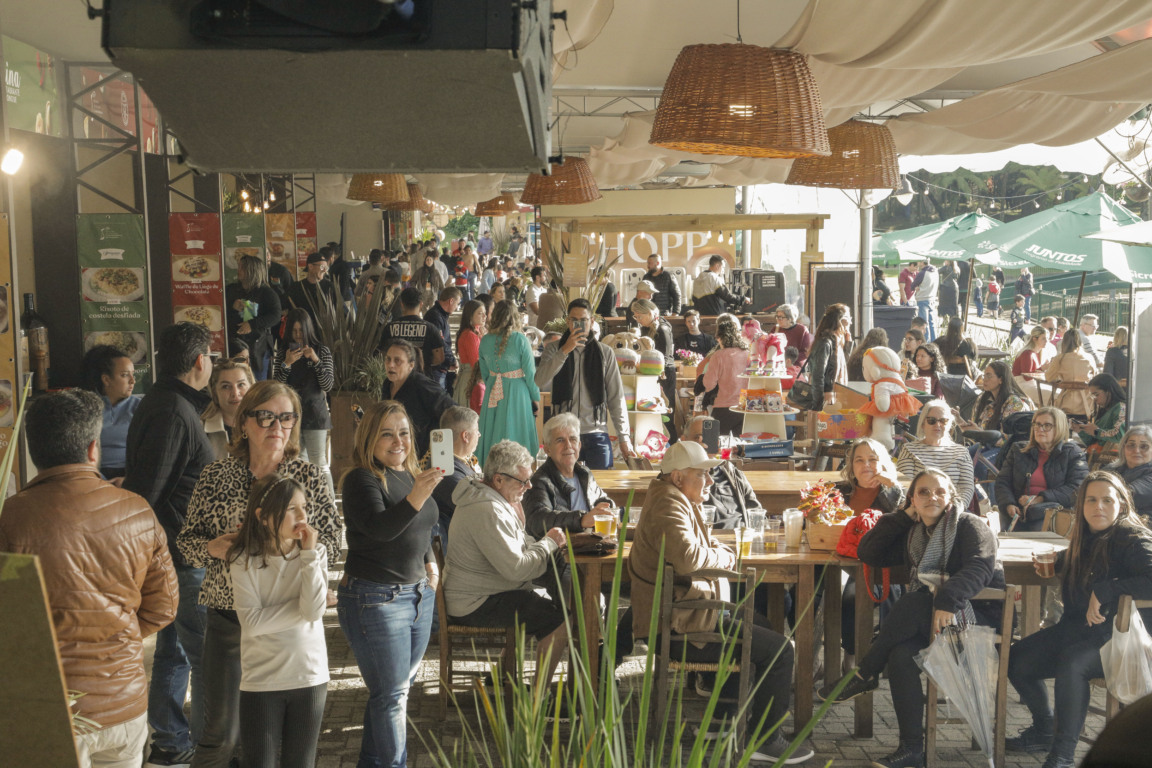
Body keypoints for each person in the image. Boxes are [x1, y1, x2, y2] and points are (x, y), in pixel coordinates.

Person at [0, 389, 177, 768]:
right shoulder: (137, 511)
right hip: (125, 702)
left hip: (51, 708)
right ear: (94, 448)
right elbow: (163, 608)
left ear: (33, 451)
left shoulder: (11, 518)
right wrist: (115, 635)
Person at [177, 381, 341, 768]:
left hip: (292, 622)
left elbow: (332, 541)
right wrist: (210, 548)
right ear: (244, 423)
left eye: (287, 417)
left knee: (288, 742)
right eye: (266, 416)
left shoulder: (311, 476)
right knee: (221, 733)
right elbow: (186, 542)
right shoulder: (216, 475)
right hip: (230, 617)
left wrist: (306, 559)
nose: (277, 427)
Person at [628, 441, 814, 764]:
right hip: (675, 626)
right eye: (703, 475)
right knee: (782, 650)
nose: (711, 482)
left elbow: (704, 544)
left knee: (762, 625)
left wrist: (720, 553)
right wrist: (726, 557)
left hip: (688, 613)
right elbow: (688, 558)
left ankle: (722, 720)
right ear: (678, 478)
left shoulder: (676, 497)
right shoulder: (668, 506)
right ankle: (765, 741)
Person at [822, 469, 1003, 768]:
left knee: (916, 600)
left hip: (975, 621)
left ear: (951, 497)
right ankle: (912, 750)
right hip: (930, 622)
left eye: (940, 492)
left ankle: (865, 672)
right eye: (923, 492)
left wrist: (947, 600)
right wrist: (905, 516)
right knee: (900, 656)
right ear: (912, 500)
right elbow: (869, 551)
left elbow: (980, 568)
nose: (932, 497)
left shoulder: (970, 525)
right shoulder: (914, 531)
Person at [1006, 471, 1152, 768]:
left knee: (1072, 664)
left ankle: (1061, 756)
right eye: (1092, 500)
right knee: (1016, 658)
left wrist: (1108, 589)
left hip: (1121, 638)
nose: (1099, 506)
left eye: (1107, 500)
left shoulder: (1132, 537)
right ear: (1081, 507)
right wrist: (1057, 562)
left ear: (1121, 505)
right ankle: (1044, 728)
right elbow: (1090, 560)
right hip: (1080, 630)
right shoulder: (1087, 535)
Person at [123, 322, 215, 768]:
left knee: (175, 652)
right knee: (203, 657)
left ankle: (172, 741)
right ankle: (203, 747)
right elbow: (148, 492)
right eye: (211, 358)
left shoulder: (168, 403)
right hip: (182, 557)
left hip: (178, 553)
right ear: (200, 361)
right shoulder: (173, 411)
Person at [338, 401, 441, 768]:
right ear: (369, 437)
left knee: (391, 694)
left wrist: (430, 563)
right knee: (392, 696)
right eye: (387, 433)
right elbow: (380, 529)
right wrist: (418, 495)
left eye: (404, 433)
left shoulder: (413, 474)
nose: (398, 441)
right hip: (376, 599)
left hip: (417, 596)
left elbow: (423, 526)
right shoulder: (361, 478)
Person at [444, 440, 570, 690]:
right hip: (474, 604)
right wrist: (549, 543)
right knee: (561, 621)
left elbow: (515, 553)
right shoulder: (488, 509)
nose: (529, 486)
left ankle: (501, 672)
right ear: (498, 479)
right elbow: (517, 570)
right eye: (522, 481)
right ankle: (538, 698)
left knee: (533, 599)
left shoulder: (486, 496)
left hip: (475, 593)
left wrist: (539, 542)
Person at [227, 475, 328, 768]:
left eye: (304, 507)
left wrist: (308, 556)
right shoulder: (243, 559)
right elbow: (252, 623)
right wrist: (305, 608)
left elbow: (313, 612)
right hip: (261, 682)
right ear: (264, 516)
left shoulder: (314, 553)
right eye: (291, 508)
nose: (302, 516)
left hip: (309, 677)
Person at [535, 298, 634, 468]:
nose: (578, 325)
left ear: (592, 321)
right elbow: (540, 380)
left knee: (600, 488)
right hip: (563, 433)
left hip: (596, 433)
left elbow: (616, 397)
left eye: (583, 320)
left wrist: (624, 438)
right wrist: (565, 350)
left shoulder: (605, 353)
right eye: (574, 320)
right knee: (565, 488)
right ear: (567, 321)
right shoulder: (554, 349)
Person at [995, 406, 1089, 532]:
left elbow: (1078, 488)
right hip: (1017, 512)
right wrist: (1008, 504)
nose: (1040, 429)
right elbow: (1002, 482)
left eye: (1047, 425)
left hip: (1052, 514)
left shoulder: (1072, 453)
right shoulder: (1018, 450)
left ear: (1059, 428)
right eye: (1037, 424)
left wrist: (1040, 498)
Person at [523, 413, 615, 538]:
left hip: (590, 546)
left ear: (579, 445)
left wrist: (606, 507)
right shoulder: (540, 481)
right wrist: (581, 520)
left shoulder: (584, 474)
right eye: (560, 440)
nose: (568, 446)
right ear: (547, 449)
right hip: (560, 553)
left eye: (573, 439)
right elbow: (538, 521)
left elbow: (601, 499)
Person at [273, 308, 335, 494]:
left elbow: (328, 385)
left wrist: (316, 360)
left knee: (319, 461)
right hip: (290, 415)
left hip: (315, 413)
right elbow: (276, 386)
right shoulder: (283, 351)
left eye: (302, 331)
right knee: (297, 460)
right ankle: (302, 501)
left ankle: (328, 502)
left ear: (309, 330)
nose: (298, 336)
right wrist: (287, 363)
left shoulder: (322, 350)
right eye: (294, 331)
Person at [476, 299, 540, 461]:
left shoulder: (485, 340)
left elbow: (485, 374)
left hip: (493, 391)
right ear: (515, 317)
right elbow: (531, 374)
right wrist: (536, 398)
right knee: (516, 433)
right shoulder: (520, 339)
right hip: (517, 392)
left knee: (492, 433)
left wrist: (494, 383)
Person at [380, 339, 455, 460]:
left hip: (424, 456)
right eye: (388, 359)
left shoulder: (422, 385)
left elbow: (453, 411)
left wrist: (439, 444)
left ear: (411, 365)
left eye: (397, 361)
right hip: (399, 451)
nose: (390, 364)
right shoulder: (387, 384)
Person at [897, 399, 975, 508]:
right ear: (923, 423)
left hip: (952, 511)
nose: (938, 425)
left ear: (949, 425)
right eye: (932, 420)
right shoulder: (909, 449)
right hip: (918, 511)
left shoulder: (962, 452)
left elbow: (966, 487)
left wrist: (954, 511)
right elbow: (904, 486)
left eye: (943, 421)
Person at [81, 344, 140, 480]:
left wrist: (129, 479)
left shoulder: (141, 408)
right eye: (125, 375)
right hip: (92, 477)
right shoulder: (86, 409)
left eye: (133, 374)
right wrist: (101, 481)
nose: (132, 381)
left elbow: (151, 454)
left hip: (132, 477)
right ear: (106, 379)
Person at [430, 406, 482, 552]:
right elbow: (474, 505)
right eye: (476, 430)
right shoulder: (444, 470)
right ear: (465, 436)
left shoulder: (465, 460)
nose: (479, 434)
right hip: (458, 547)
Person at [226, 254, 281, 380]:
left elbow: (276, 316)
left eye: (242, 268)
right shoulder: (231, 290)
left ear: (252, 271)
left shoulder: (267, 292)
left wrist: (252, 324)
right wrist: (232, 306)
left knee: (257, 384)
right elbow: (220, 311)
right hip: (234, 346)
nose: (238, 270)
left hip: (258, 348)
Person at [633, 297, 679, 442]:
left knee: (664, 411)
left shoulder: (663, 328)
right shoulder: (646, 327)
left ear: (650, 313)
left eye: (639, 316)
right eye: (635, 316)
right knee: (651, 411)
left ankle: (671, 444)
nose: (637, 319)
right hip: (652, 373)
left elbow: (663, 358)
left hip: (663, 374)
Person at [702, 314, 752, 437]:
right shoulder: (748, 354)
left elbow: (709, 384)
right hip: (746, 407)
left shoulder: (718, 356)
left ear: (719, 337)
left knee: (712, 444)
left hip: (723, 407)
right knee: (743, 447)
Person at [380, 286, 445, 373]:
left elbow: (382, 354)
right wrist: (423, 363)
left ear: (402, 304)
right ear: (421, 304)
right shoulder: (430, 328)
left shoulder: (390, 327)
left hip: (397, 378)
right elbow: (439, 358)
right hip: (423, 377)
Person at [202, 358, 256, 461]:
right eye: (226, 387)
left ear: (251, 388)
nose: (235, 393)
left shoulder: (267, 425)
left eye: (241, 385)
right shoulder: (200, 430)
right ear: (215, 393)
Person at [804, 303, 852, 411]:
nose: (851, 322)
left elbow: (841, 365)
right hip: (826, 398)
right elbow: (818, 373)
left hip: (834, 396)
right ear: (841, 320)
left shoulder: (837, 341)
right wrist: (820, 402)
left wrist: (848, 342)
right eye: (849, 318)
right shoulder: (825, 342)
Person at [1046, 329, 1098, 421]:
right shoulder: (1089, 358)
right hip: (1087, 406)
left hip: (1065, 405)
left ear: (1064, 342)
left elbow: (1049, 377)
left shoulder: (1059, 359)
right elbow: (1096, 377)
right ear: (1079, 341)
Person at [286, 251, 340, 331]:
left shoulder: (330, 287)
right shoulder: (297, 287)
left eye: (326, 268)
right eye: (322, 267)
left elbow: (341, 309)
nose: (325, 271)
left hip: (326, 334)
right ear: (310, 266)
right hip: (303, 332)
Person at [1110, 425, 1152, 521]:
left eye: (1144, 446)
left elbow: (1127, 496)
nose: (1136, 451)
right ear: (1123, 447)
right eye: (1131, 445)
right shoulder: (1112, 468)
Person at [424, 286, 462, 390]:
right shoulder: (435, 316)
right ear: (451, 301)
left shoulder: (439, 315)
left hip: (439, 367)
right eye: (457, 303)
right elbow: (440, 342)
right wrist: (452, 360)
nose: (457, 307)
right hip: (435, 369)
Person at [1079, 373, 1127, 450]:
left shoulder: (1121, 408)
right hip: (1096, 455)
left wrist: (1096, 432)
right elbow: (1091, 441)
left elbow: (1120, 436)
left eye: (1096, 394)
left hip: (1111, 458)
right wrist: (1081, 430)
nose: (1094, 399)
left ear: (1108, 391)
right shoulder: (1104, 409)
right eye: (1092, 396)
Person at [453, 299, 487, 409]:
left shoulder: (473, 333)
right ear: (470, 315)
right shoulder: (470, 335)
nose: (484, 316)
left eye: (484, 313)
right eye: (480, 313)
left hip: (470, 378)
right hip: (471, 380)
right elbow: (476, 363)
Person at [774, 303, 813, 370]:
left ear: (790, 318)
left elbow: (806, 352)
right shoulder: (776, 329)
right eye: (777, 316)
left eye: (781, 317)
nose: (778, 319)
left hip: (796, 367)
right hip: (778, 366)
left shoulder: (802, 330)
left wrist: (789, 359)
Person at [1012, 327, 1049, 393]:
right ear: (1034, 339)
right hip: (1020, 386)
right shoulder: (1027, 353)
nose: (1046, 341)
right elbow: (1027, 377)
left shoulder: (1037, 353)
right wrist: (1042, 368)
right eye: (1043, 338)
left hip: (1029, 384)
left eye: (1047, 338)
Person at [909, 259, 939, 340]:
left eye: (919, 261)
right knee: (931, 323)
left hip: (923, 299)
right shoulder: (935, 272)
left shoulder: (922, 273)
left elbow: (912, 286)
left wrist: (916, 287)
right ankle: (934, 342)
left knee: (923, 324)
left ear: (922, 262)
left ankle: (926, 343)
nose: (917, 263)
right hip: (932, 298)